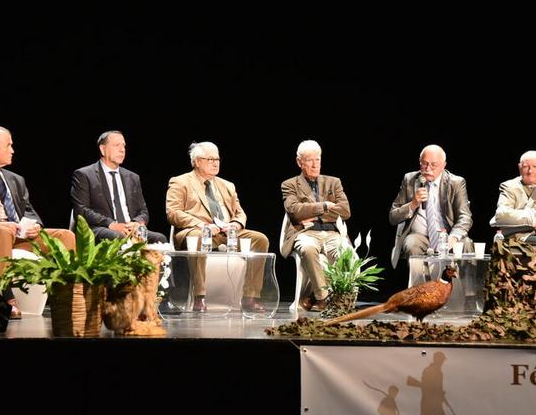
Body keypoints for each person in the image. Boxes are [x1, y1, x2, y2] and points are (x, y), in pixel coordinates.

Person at [0, 126, 76, 319]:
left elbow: (28, 210)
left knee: (65, 236)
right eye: (8, 145)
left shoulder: (16, 179)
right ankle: (6, 297)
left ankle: (71, 294)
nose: (13, 150)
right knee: (3, 232)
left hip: (17, 233)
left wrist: (36, 226)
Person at [165, 141, 269, 312]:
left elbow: (240, 212)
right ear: (197, 161)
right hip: (196, 232)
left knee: (260, 239)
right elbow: (173, 213)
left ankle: (250, 297)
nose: (215, 163)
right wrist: (201, 224)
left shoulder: (227, 185)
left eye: (217, 159)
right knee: (199, 236)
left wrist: (235, 224)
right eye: (210, 159)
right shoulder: (180, 182)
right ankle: (199, 297)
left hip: (226, 234)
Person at [281, 140, 351, 312]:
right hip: (305, 233)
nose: (314, 164)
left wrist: (311, 213)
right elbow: (294, 212)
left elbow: (345, 212)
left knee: (346, 253)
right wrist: (325, 206)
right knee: (307, 249)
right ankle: (322, 298)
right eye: (309, 160)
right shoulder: (289, 185)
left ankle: (316, 296)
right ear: (299, 162)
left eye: (317, 159)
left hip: (333, 233)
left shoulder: (334, 182)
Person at [71, 130, 167, 243]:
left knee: (160, 239)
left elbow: (143, 210)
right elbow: (81, 210)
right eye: (117, 145)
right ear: (103, 149)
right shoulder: (84, 175)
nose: (122, 150)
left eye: (124, 146)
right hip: (99, 228)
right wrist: (111, 224)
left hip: (130, 230)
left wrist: (137, 222)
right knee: (119, 237)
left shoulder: (132, 177)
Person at [389, 144, 473, 268]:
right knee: (411, 242)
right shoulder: (410, 180)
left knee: (464, 243)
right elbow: (393, 216)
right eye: (424, 163)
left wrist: (453, 237)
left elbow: (465, 217)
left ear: (444, 165)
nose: (428, 168)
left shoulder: (456, 183)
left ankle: (462, 286)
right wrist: (413, 204)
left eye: (433, 165)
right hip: (420, 236)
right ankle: (420, 285)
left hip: (447, 235)